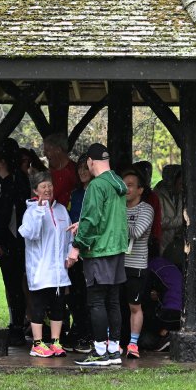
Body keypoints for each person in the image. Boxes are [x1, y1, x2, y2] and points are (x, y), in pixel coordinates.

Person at [66, 143, 129, 367]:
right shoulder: (118, 183)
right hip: (116, 250)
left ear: (91, 162)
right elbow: (107, 217)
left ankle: (100, 352)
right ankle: (114, 351)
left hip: (99, 251)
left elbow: (93, 219)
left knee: (96, 301)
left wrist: (76, 247)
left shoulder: (96, 186)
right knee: (113, 301)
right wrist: (80, 223)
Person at [19, 171, 73, 357]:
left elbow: (68, 236)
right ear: (35, 190)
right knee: (38, 307)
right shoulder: (31, 212)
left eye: (49, 185)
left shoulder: (61, 210)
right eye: (43, 186)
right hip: (40, 270)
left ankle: (56, 342)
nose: (48, 189)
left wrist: (70, 254)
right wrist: (40, 211)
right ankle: (37, 344)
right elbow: (31, 234)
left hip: (59, 270)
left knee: (58, 306)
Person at [0, 138, 31, 346]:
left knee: (15, 285)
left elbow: (8, 215)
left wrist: (0, 240)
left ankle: (17, 327)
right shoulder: (1, 182)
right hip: (10, 241)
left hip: (14, 242)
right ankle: (15, 323)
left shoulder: (15, 182)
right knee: (12, 286)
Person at [121, 169, 154, 359]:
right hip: (116, 263)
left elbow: (135, 232)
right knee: (114, 304)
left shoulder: (146, 209)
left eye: (131, 185)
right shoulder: (117, 206)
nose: (126, 189)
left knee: (135, 305)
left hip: (136, 265)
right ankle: (114, 341)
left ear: (140, 189)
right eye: (123, 184)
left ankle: (133, 344)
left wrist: (116, 218)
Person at [64, 155, 93, 353]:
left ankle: (87, 334)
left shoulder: (97, 192)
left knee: (88, 295)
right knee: (74, 294)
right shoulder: (75, 194)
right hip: (73, 248)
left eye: (86, 168)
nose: (82, 171)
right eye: (79, 168)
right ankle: (77, 328)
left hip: (90, 249)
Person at [144, 256, 183, 351]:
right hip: (182, 311)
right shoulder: (171, 266)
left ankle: (165, 336)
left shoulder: (151, 267)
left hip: (168, 311)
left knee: (145, 340)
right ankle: (168, 334)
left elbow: (146, 293)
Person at [43, 133, 79, 207]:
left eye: (47, 150)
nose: (44, 154)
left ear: (58, 150)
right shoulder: (50, 171)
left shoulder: (74, 171)